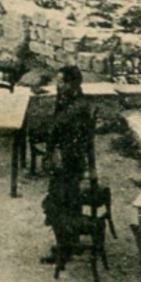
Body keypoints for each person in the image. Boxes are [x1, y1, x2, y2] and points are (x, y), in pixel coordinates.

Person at [40, 66, 96, 265]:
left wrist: (57, 155)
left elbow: (63, 133)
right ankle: (70, 242)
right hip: (68, 161)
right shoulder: (72, 101)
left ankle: (65, 248)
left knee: (56, 204)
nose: (58, 85)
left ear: (72, 84)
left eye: (61, 82)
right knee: (67, 202)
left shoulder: (76, 108)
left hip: (68, 163)